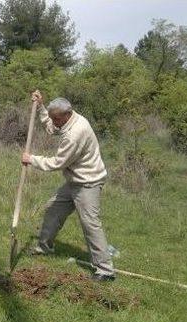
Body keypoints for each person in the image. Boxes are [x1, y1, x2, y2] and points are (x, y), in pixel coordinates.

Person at [22, 90, 116, 282]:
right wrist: (40, 106)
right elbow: (51, 127)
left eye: (56, 119)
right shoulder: (66, 120)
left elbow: (58, 163)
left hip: (88, 182)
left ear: (66, 115)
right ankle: (44, 248)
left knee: (90, 224)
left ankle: (105, 270)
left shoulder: (76, 132)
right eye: (53, 119)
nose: (54, 123)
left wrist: (31, 159)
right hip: (74, 180)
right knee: (53, 210)